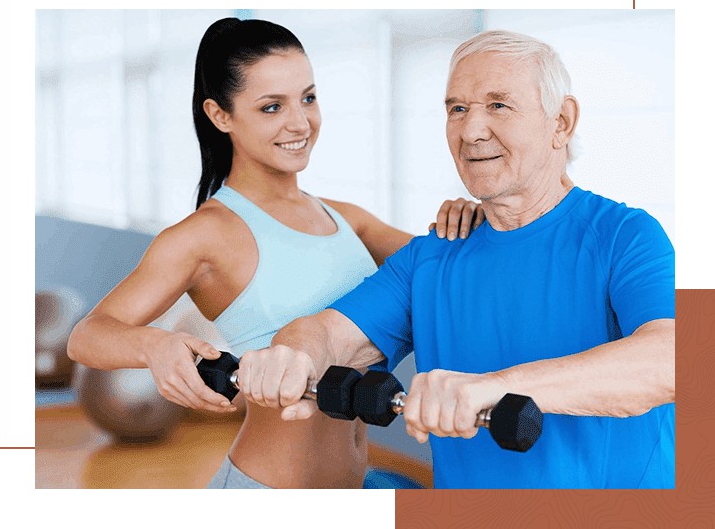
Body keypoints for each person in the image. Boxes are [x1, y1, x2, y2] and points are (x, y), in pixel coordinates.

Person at [236, 30, 675, 489]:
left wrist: (494, 386)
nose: (471, 131)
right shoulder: (433, 253)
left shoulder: (624, 235)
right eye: (457, 109)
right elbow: (329, 333)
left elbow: (671, 359)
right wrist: (291, 355)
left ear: (560, 122)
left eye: (498, 105)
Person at [67, 17, 482, 490]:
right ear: (220, 115)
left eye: (308, 97)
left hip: (354, 484)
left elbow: (451, 269)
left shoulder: (349, 220)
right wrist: (156, 346)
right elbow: (87, 337)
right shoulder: (204, 235)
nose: (300, 122)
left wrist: (465, 218)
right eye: (271, 107)